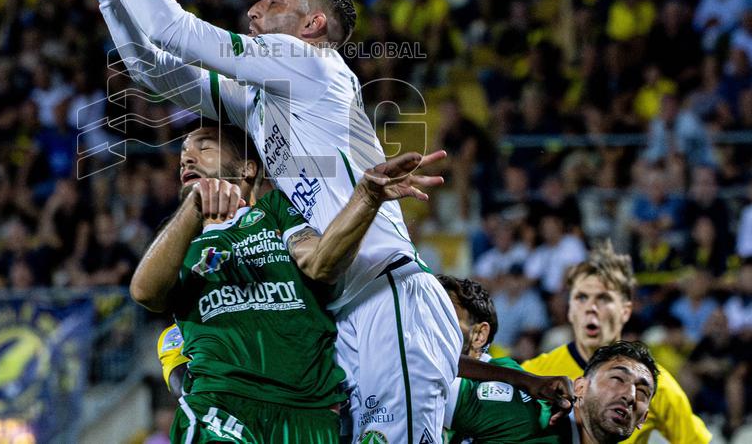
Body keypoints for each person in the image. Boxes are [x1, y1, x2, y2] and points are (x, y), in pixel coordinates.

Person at [75, 0, 572, 442]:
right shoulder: (265, 101)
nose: (253, 10)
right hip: (341, 311)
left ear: (312, 24)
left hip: (389, 299)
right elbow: (154, 73)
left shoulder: (311, 66)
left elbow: (177, 32)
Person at [129, 124, 446, 442]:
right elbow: (145, 292)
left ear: (247, 169)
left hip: (309, 412)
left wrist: (366, 197)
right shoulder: (179, 240)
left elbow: (321, 263)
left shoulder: (275, 211)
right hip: (223, 405)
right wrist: (193, 208)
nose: (187, 159)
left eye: (204, 146)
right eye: (183, 154)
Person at [522, 242, 710, 443]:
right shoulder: (533, 374)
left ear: (625, 310)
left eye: (603, 298)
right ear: (570, 309)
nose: (591, 307)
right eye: (582, 297)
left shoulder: (656, 386)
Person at [440, 276, 657, 444]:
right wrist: (523, 379)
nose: (629, 395)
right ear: (580, 386)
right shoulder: (526, 415)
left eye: (642, 392)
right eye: (618, 378)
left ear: (643, 419)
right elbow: (425, 369)